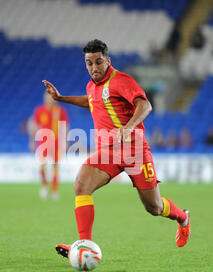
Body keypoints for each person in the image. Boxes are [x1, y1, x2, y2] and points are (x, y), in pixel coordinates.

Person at [42, 39, 190, 260]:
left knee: (154, 207)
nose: (94, 68)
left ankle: (183, 218)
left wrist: (129, 127)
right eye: (89, 63)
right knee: (81, 185)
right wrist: (61, 98)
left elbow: (145, 104)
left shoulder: (121, 80)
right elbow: (91, 101)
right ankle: (85, 244)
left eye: (98, 62)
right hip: (108, 151)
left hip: (134, 150)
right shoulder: (91, 86)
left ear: (108, 60)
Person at [31, 92, 69, 200]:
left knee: (55, 166)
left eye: (50, 98)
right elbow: (35, 126)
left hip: (57, 142)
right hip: (43, 142)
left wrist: (66, 141)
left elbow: (65, 126)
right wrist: (33, 141)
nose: (49, 100)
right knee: (41, 167)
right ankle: (44, 186)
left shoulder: (60, 110)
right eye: (46, 98)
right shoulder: (39, 110)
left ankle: (54, 191)